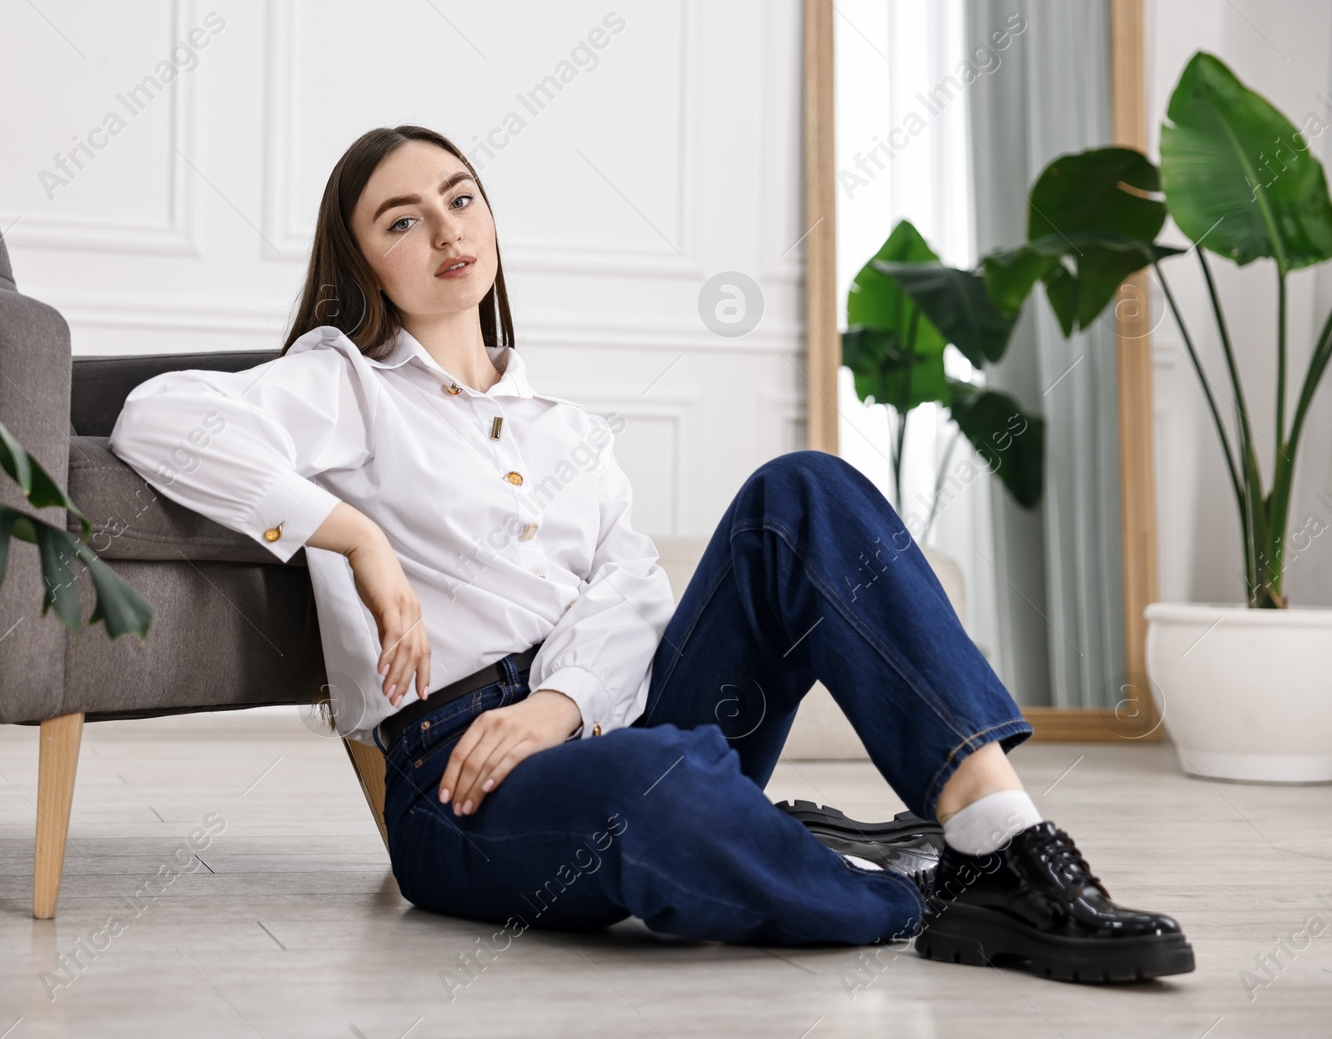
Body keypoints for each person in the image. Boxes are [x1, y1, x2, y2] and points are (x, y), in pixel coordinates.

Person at [108, 125, 1194, 984]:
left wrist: (562, 703)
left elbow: (630, 588)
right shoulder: (341, 383)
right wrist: (355, 535)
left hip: (601, 716)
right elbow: (156, 419)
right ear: (364, 260)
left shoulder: (563, 426)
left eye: (460, 197)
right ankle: (893, 891)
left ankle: (998, 837)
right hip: (458, 779)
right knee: (658, 781)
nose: (446, 228)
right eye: (402, 219)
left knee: (798, 491)